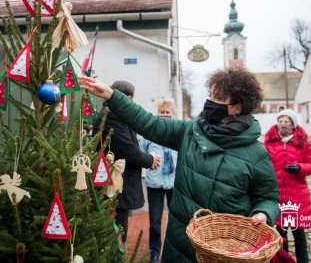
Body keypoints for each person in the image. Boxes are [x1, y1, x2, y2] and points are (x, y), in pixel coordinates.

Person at [79, 67, 280, 262]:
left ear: (237, 107)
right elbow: (148, 123)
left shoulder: (257, 154)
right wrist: (113, 96)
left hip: (227, 252)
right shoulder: (189, 132)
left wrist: (263, 213)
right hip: (180, 245)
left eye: (218, 98)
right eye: (209, 95)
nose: (210, 102)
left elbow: (268, 198)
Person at [91, 80, 161, 245]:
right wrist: (150, 159)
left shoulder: (109, 113)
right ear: (127, 98)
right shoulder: (114, 115)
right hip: (115, 185)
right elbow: (128, 151)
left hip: (114, 183)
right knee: (116, 235)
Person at [264, 109, 311, 263]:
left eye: (286, 121)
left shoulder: (303, 142)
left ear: (293, 124)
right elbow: (264, 165)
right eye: (280, 121)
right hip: (278, 194)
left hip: (298, 196)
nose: (283, 124)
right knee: (280, 234)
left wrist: (299, 168)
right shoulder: (269, 142)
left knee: (298, 234)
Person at [139, 98, 178, 263]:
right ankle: (154, 253)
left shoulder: (177, 132)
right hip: (154, 183)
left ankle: (173, 252)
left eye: (167, 112)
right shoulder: (151, 132)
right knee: (155, 221)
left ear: (173, 114)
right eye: (162, 112)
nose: (164, 115)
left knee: (176, 220)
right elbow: (141, 152)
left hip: (174, 183)